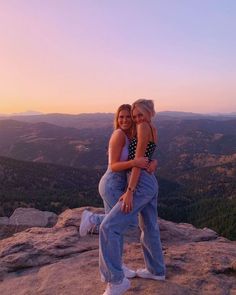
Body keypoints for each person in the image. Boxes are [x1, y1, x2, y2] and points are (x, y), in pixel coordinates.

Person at [80, 104, 154, 278]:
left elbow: (143, 156)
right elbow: (113, 165)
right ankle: (93, 219)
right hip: (112, 183)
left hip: (117, 184)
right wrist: (134, 163)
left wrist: (152, 163)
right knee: (128, 223)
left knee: (114, 230)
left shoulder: (130, 136)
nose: (125, 120)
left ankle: (118, 266)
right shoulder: (119, 134)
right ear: (116, 118)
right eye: (121, 117)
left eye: (128, 117)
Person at [99, 99, 165, 295]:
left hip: (141, 183)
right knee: (149, 225)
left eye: (139, 115)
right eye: (134, 116)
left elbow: (137, 162)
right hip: (150, 182)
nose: (136, 119)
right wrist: (153, 162)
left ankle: (116, 280)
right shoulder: (152, 128)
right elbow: (147, 156)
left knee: (109, 227)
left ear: (149, 113)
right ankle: (156, 270)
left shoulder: (143, 127)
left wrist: (130, 190)